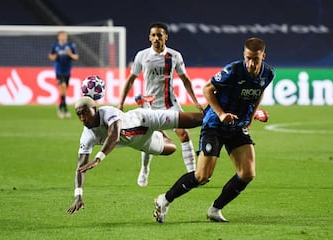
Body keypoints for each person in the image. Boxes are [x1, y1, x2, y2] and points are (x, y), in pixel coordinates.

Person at [153, 37, 275, 223]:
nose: (251, 63)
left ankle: (215, 209)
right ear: (244, 55)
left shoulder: (268, 74)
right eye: (248, 58)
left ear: (263, 56)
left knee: (247, 173)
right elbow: (207, 89)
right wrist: (220, 114)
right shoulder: (233, 70)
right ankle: (164, 200)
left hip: (237, 126)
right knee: (202, 176)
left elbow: (259, 92)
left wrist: (250, 117)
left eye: (255, 59)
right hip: (215, 124)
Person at [66, 96, 203, 214]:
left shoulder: (108, 112)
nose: (82, 118)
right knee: (171, 148)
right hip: (140, 143)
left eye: (85, 113)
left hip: (145, 118)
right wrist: (78, 195)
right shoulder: (87, 136)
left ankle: (217, 115)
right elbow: (81, 167)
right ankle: (148, 107)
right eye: (79, 115)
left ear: (94, 110)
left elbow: (114, 136)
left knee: (195, 120)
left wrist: (98, 159)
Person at [118, 22, 203, 187]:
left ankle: (193, 174)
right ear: (149, 37)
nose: (156, 38)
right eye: (154, 35)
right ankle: (144, 169)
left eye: (160, 35)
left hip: (170, 104)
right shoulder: (142, 56)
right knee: (147, 140)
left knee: (184, 134)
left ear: (166, 37)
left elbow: (185, 79)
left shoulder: (175, 56)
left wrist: (196, 101)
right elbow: (130, 80)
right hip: (149, 107)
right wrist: (120, 103)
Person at [48, 31, 79, 119]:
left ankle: (61, 106)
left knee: (64, 91)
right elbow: (51, 56)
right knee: (63, 86)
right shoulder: (55, 46)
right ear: (58, 37)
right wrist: (54, 57)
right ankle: (64, 109)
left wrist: (70, 54)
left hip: (67, 71)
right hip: (59, 71)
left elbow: (76, 57)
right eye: (61, 36)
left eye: (65, 36)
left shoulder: (70, 45)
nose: (63, 37)